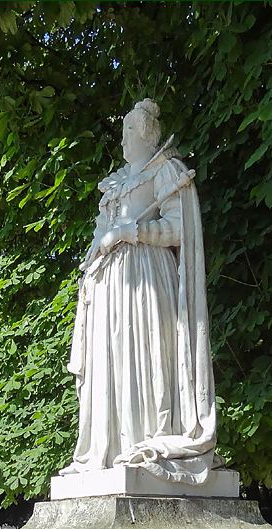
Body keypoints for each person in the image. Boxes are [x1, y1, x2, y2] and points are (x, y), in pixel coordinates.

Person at [61, 99, 218, 486]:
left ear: (147, 134)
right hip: (110, 284)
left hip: (146, 280)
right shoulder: (116, 182)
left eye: (130, 129)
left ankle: (147, 434)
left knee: (144, 356)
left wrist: (133, 232)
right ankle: (111, 447)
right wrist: (99, 248)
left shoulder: (165, 171)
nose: (124, 136)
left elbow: (181, 229)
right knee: (111, 358)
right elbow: (101, 232)